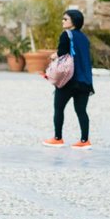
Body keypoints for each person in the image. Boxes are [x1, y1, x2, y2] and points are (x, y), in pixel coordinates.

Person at [42, 8, 94, 149]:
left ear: (74, 22)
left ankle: (58, 138)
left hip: (68, 80)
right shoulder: (84, 38)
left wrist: (54, 55)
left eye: (65, 19)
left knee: (59, 108)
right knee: (81, 111)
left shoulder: (66, 34)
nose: (62, 21)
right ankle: (85, 141)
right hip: (85, 81)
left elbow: (62, 53)